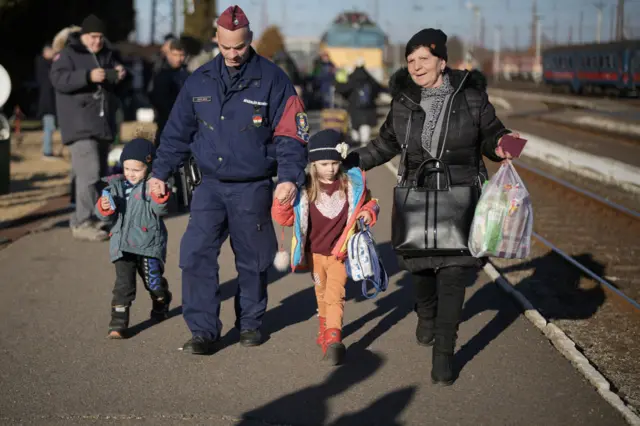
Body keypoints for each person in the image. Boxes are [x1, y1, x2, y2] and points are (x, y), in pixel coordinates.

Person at [347, 28, 518, 385]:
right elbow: (384, 145)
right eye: (410, 60)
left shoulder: (471, 97)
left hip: (461, 198)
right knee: (421, 273)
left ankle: (445, 353)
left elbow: (490, 134)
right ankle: (425, 313)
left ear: (442, 61)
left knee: (455, 274)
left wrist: (502, 144)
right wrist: (350, 161)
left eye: (424, 59)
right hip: (417, 199)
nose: (416, 66)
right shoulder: (404, 101)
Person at [149, 5, 309, 355]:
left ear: (249, 39)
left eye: (239, 46)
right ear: (215, 41)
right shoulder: (199, 80)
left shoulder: (273, 79)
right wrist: (159, 173)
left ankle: (250, 322)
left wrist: (289, 178)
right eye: (226, 47)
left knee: (252, 260)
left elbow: (291, 136)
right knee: (194, 255)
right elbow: (176, 133)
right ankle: (203, 331)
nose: (233, 54)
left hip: (252, 186)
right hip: (210, 186)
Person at [271, 129, 379, 365]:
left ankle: (334, 337)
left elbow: (370, 202)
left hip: (340, 252)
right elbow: (286, 219)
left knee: (335, 294)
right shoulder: (304, 189)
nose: (330, 169)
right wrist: (281, 202)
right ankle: (324, 328)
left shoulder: (351, 184)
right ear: (313, 164)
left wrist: (368, 212)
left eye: (333, 163)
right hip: (314, 254)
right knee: (321, 292)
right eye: (323, 164)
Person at [50, 14, 127, 241]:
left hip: (102, 125)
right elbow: (58, 79)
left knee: (101, 175)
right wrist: (87, 75)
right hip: (79, 125)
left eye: (100, 37)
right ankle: (81, 222)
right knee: (89, 174)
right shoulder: (68, 54)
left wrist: (120, 75)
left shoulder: (106, 55)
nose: (97, 41)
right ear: (83, 36)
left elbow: (116, 88)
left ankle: (99, 218)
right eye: (93, 37)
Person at [95, 138, 172, 339]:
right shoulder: (115, 186)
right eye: (127, 168)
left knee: (153, 282)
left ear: (148, 167)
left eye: (136, 170)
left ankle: (161, 300)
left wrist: (160, 197)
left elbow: (160, 209)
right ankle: (118, 324)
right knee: (123, 285)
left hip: (148, 244)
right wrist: (104, 207)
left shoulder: (153, 186)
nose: (131, 173)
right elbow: (105, 215)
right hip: (122, 245)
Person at [150, 38, 189, 144]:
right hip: (166, 123)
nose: (179, 59)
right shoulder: (161, 74)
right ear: (169, 55)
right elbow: (157, 99)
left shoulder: (186, 74)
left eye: (181, 55)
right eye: (175, 55)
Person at [335, 58, 383, 145]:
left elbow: (342, 89)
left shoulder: (352, 78)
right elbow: (378, 88)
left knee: (355, 125)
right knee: (366, 125)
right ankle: (364, 142)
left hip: (355, 107)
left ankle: (356, 140)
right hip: (368, 107)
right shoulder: (369, 78)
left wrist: (338, 85)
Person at [35, 44, 58, 159]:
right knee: (49, 128)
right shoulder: (42, 63)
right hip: (47, 105)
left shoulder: (47, 64)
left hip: (50, 104)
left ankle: (46, 149)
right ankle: (47, 152)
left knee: (49, 128)